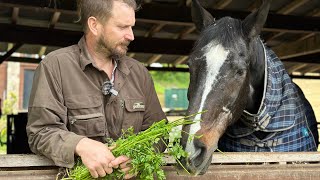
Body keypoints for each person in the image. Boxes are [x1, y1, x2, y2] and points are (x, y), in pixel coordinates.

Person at [26, 0, 166, 179]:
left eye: (131, 27)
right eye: (122, 27)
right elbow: (39, 133)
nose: (131, 35)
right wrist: (80, 145)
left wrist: (138, 157)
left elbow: (159, 131)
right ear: (94, 25)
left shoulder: (139, 73)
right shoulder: (55, 67)